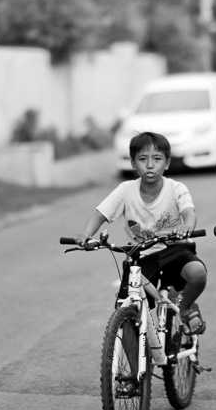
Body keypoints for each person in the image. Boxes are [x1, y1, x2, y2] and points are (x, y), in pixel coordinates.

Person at [77, 131, 208, 335]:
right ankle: (133, 362)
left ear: (167, 163)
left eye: (157, 159)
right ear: (132, 162)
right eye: (142, 159)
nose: (149, 165)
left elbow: (188, 212)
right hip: (141, 256)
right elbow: (100, 213)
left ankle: (186, 307)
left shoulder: (176, 188)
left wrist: (187, 226)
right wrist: (86, 233)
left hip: (175, 249)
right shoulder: (126, 190)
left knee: (198, 273)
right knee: (126, 309)